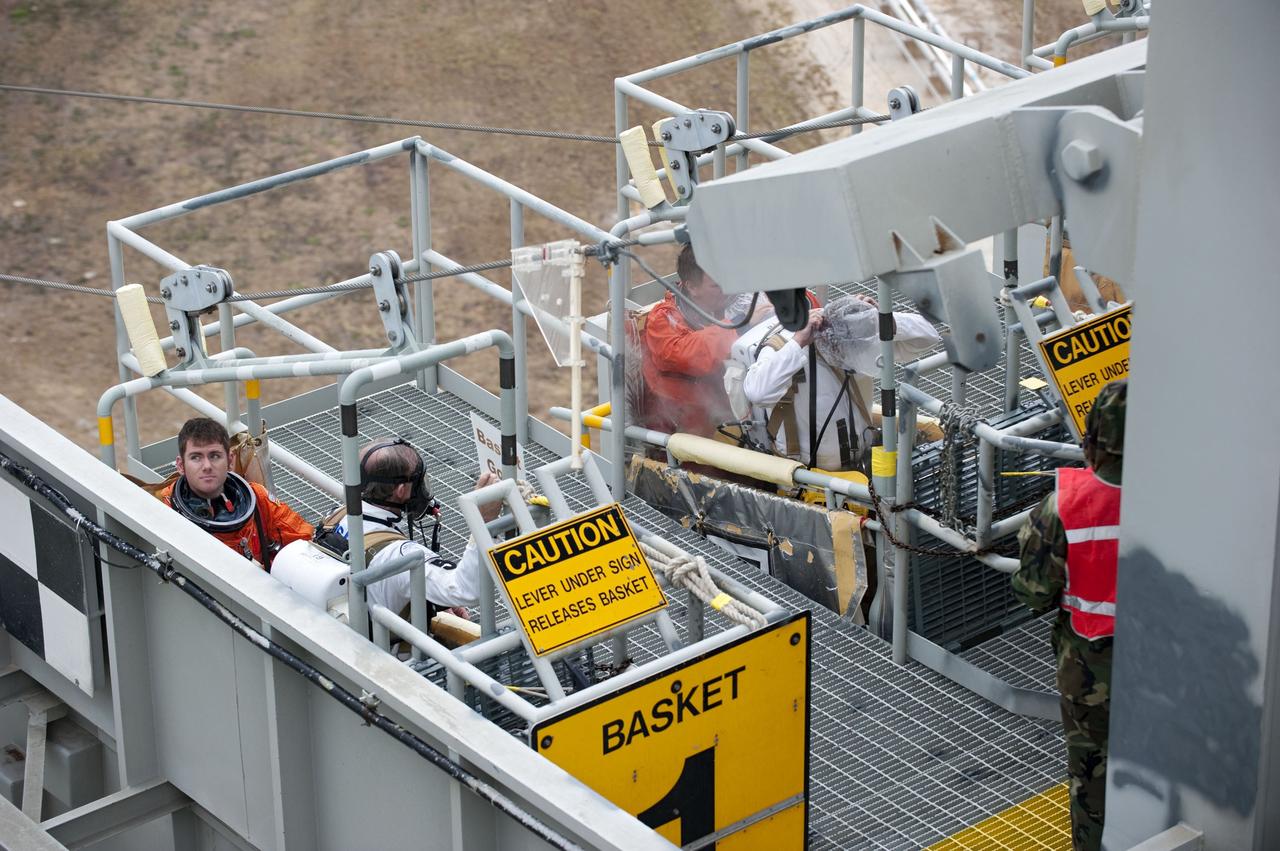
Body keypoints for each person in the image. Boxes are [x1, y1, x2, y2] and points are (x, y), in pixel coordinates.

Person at [1014, 379, 1127, 851]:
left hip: (1091, 672)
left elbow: (1035, 593)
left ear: (1096, 434)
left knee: (1091, 780)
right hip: (1174, 661)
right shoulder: (1194, 491)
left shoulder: (1066, 504)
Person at [732, 293, 940, 471]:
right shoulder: (782, 348)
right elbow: (757, 392)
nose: (849, 356)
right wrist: (799, 343)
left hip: (862, 460)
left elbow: (928, 336)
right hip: (807, 475)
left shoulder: (855, 334)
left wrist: (881, 320)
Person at [314, 438, 499, 617]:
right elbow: (467, 590)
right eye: (419, 482)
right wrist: (484, 521)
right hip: (383, 647)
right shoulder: (404, 557)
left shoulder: (335, 515)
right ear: (401, 491)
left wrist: (433, 600)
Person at [639, 244, 772, 438]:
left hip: (736, 414)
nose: (727, 289)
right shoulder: (663, 319)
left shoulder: (736, 303)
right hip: (687, 431)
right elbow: (685, 354)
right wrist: (740, 325)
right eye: (717, 285)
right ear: (692, 286)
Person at [161, 417, 313, 570]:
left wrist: (270, 574)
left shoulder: (257, 498)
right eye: (196, 457)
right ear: (181, 465)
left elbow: (304, 544)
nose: (207, 466)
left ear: (230, 461)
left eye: (215, 456)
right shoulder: (164, 514)